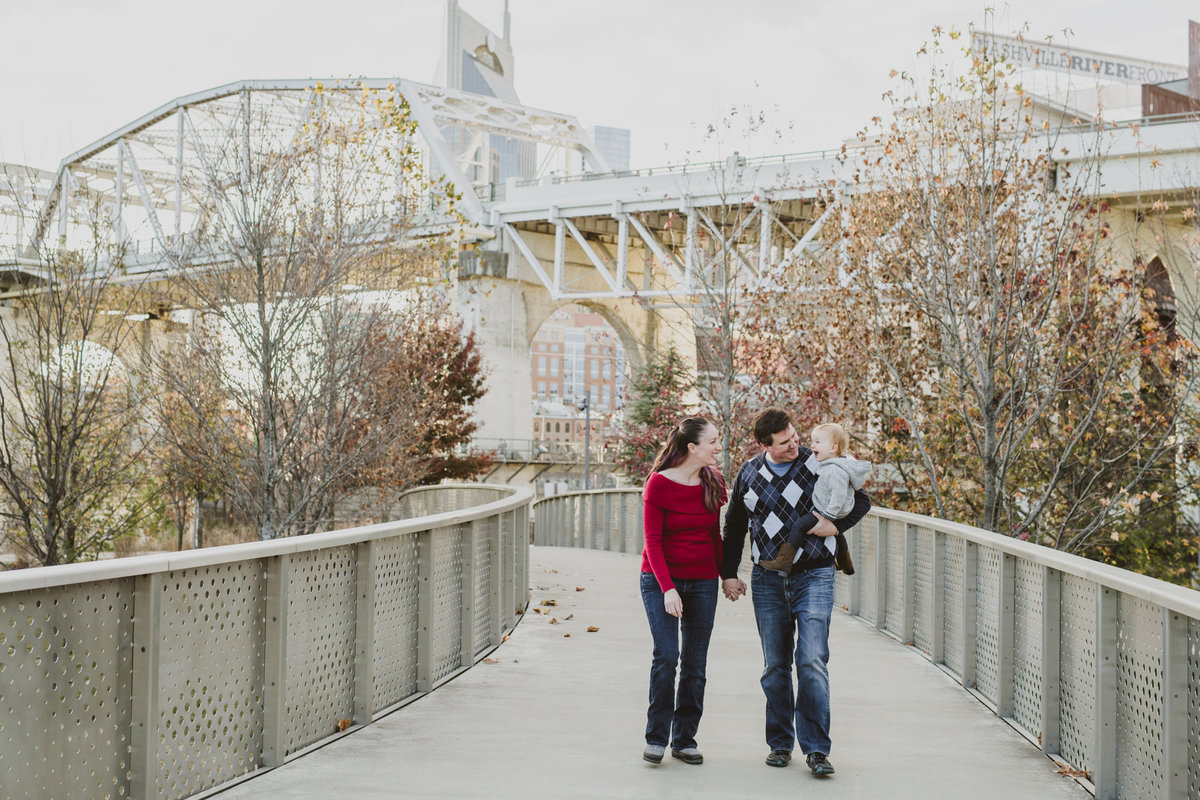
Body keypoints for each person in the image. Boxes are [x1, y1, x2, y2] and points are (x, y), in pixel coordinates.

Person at [720, 409, 871, 777]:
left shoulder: (819, 463)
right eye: (785, 442)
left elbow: (862, 502)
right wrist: (727, 573)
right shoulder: (750, 473)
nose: (795, 444)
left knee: (812, 661)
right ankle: (780, 744)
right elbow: (735, 524)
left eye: (794, 435)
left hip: (815, 574)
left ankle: (817, 750)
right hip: (767, 580)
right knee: (775, 665)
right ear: (765, 445)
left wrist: (833, 526)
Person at [639, 417, 726, 766]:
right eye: (713, 442)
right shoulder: (658, 484)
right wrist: (668, 589)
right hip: (661, 581)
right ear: (692, 447)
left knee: (695, 663)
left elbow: (714, 537)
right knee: (667, 656)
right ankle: (656, 737)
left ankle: (685, 739)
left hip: (703, 581)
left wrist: (728, 576)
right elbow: (653, 543)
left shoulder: (714, 482)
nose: (719, 447)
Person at [759, 422, 869, 575]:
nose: (812, 446)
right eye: (812, 441)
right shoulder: (837, 463)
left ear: (833, 448)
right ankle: (845, 562)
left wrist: (828, 516)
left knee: (799, 526)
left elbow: (839, 495)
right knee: (836, 532)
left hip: (827, 510)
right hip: (833, 509)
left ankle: (784, 561)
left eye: (817, 442)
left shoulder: (834, 470)